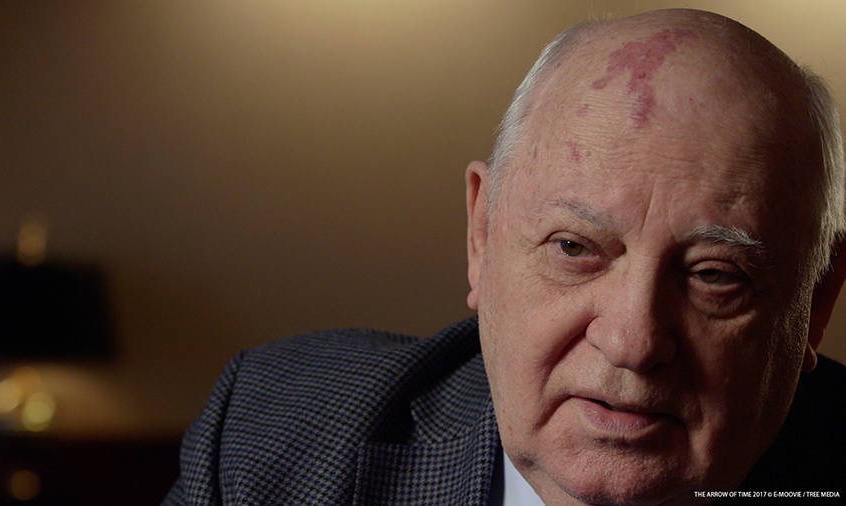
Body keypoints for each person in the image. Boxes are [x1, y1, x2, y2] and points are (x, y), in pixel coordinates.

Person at [163, 9, 846, 505]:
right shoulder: (270, 441)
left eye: (714, 276)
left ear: (816, 303)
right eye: (574, 247)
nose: (633, 342)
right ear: (481, 235)